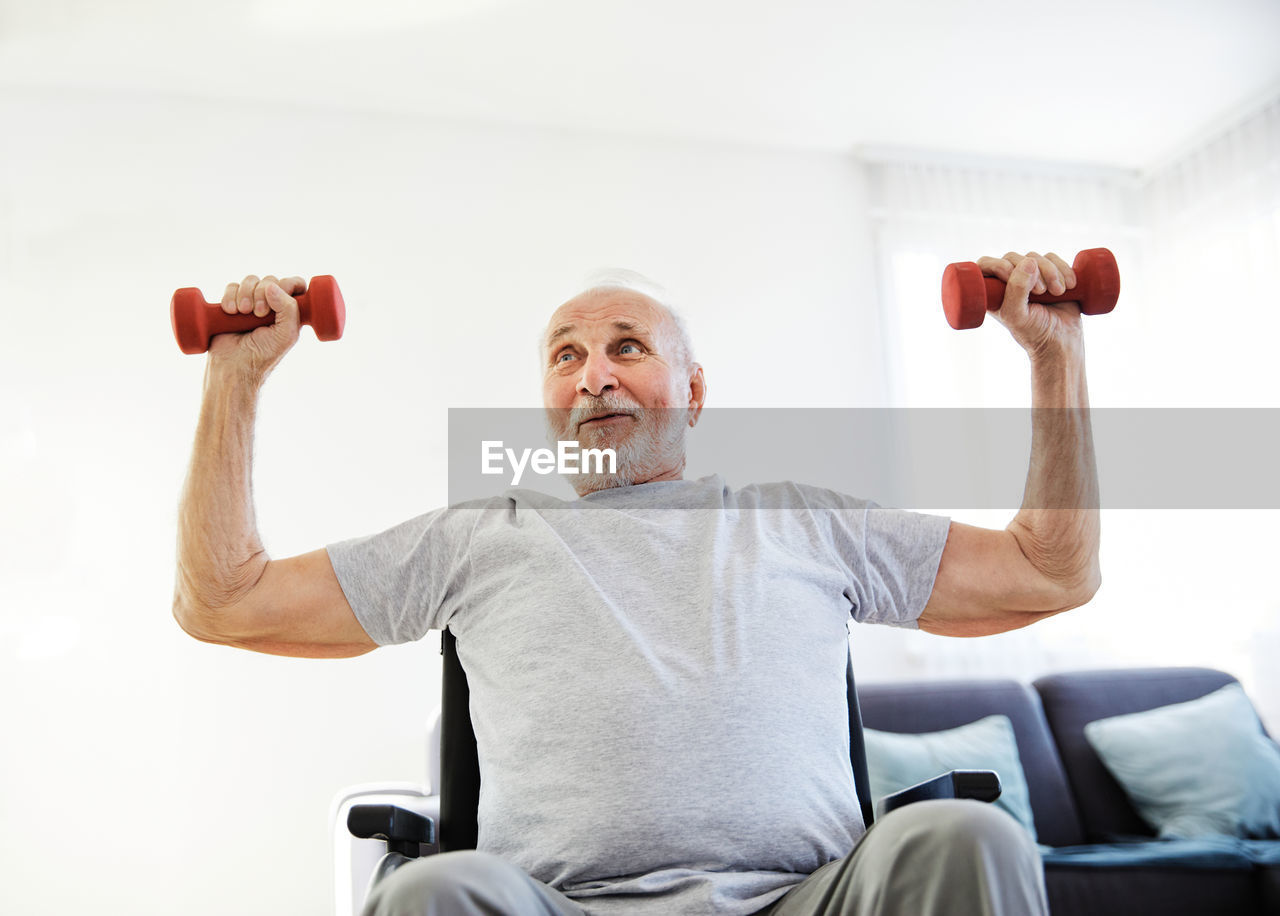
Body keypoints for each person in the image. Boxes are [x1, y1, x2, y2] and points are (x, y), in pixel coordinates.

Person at [173, 252, 1099, 915]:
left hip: (809, 901)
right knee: (431, 891)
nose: (593, 376)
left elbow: (1048, 571)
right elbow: (222, 599)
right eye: (566, 355)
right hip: (560, 907)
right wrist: (235, 379)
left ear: (694, 393)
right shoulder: (477, 537)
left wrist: (1054, 356)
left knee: (967, 839)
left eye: (627, 348)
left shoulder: (807, 520)